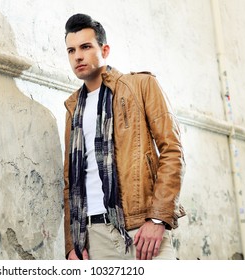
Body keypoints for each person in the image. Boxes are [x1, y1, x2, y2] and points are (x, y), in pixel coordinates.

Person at [63, 13, 186, 260]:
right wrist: (72, 245)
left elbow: (172, 151)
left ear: (104, 50)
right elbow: (70, 179)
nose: (77, 56)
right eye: (71, 50)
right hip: (93, 236)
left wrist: (158, 218)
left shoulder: (141, 85)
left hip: (143, 231)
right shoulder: (72, 107)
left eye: (86, 47)